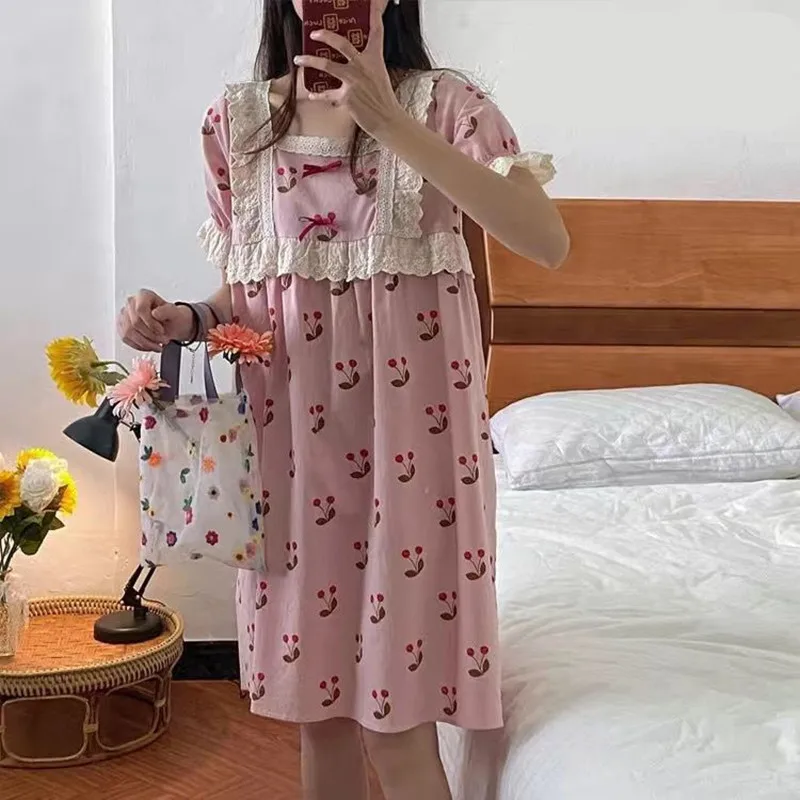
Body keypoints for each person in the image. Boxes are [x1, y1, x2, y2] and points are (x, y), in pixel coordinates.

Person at [117, 1, 568, 797]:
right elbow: (252, 292)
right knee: (319, 724)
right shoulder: (237, 125)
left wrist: (391, 124)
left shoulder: (449, 107)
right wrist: (182, 320)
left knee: (400, 731)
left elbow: (545, 240)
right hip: (293, 453)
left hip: (416, 459)